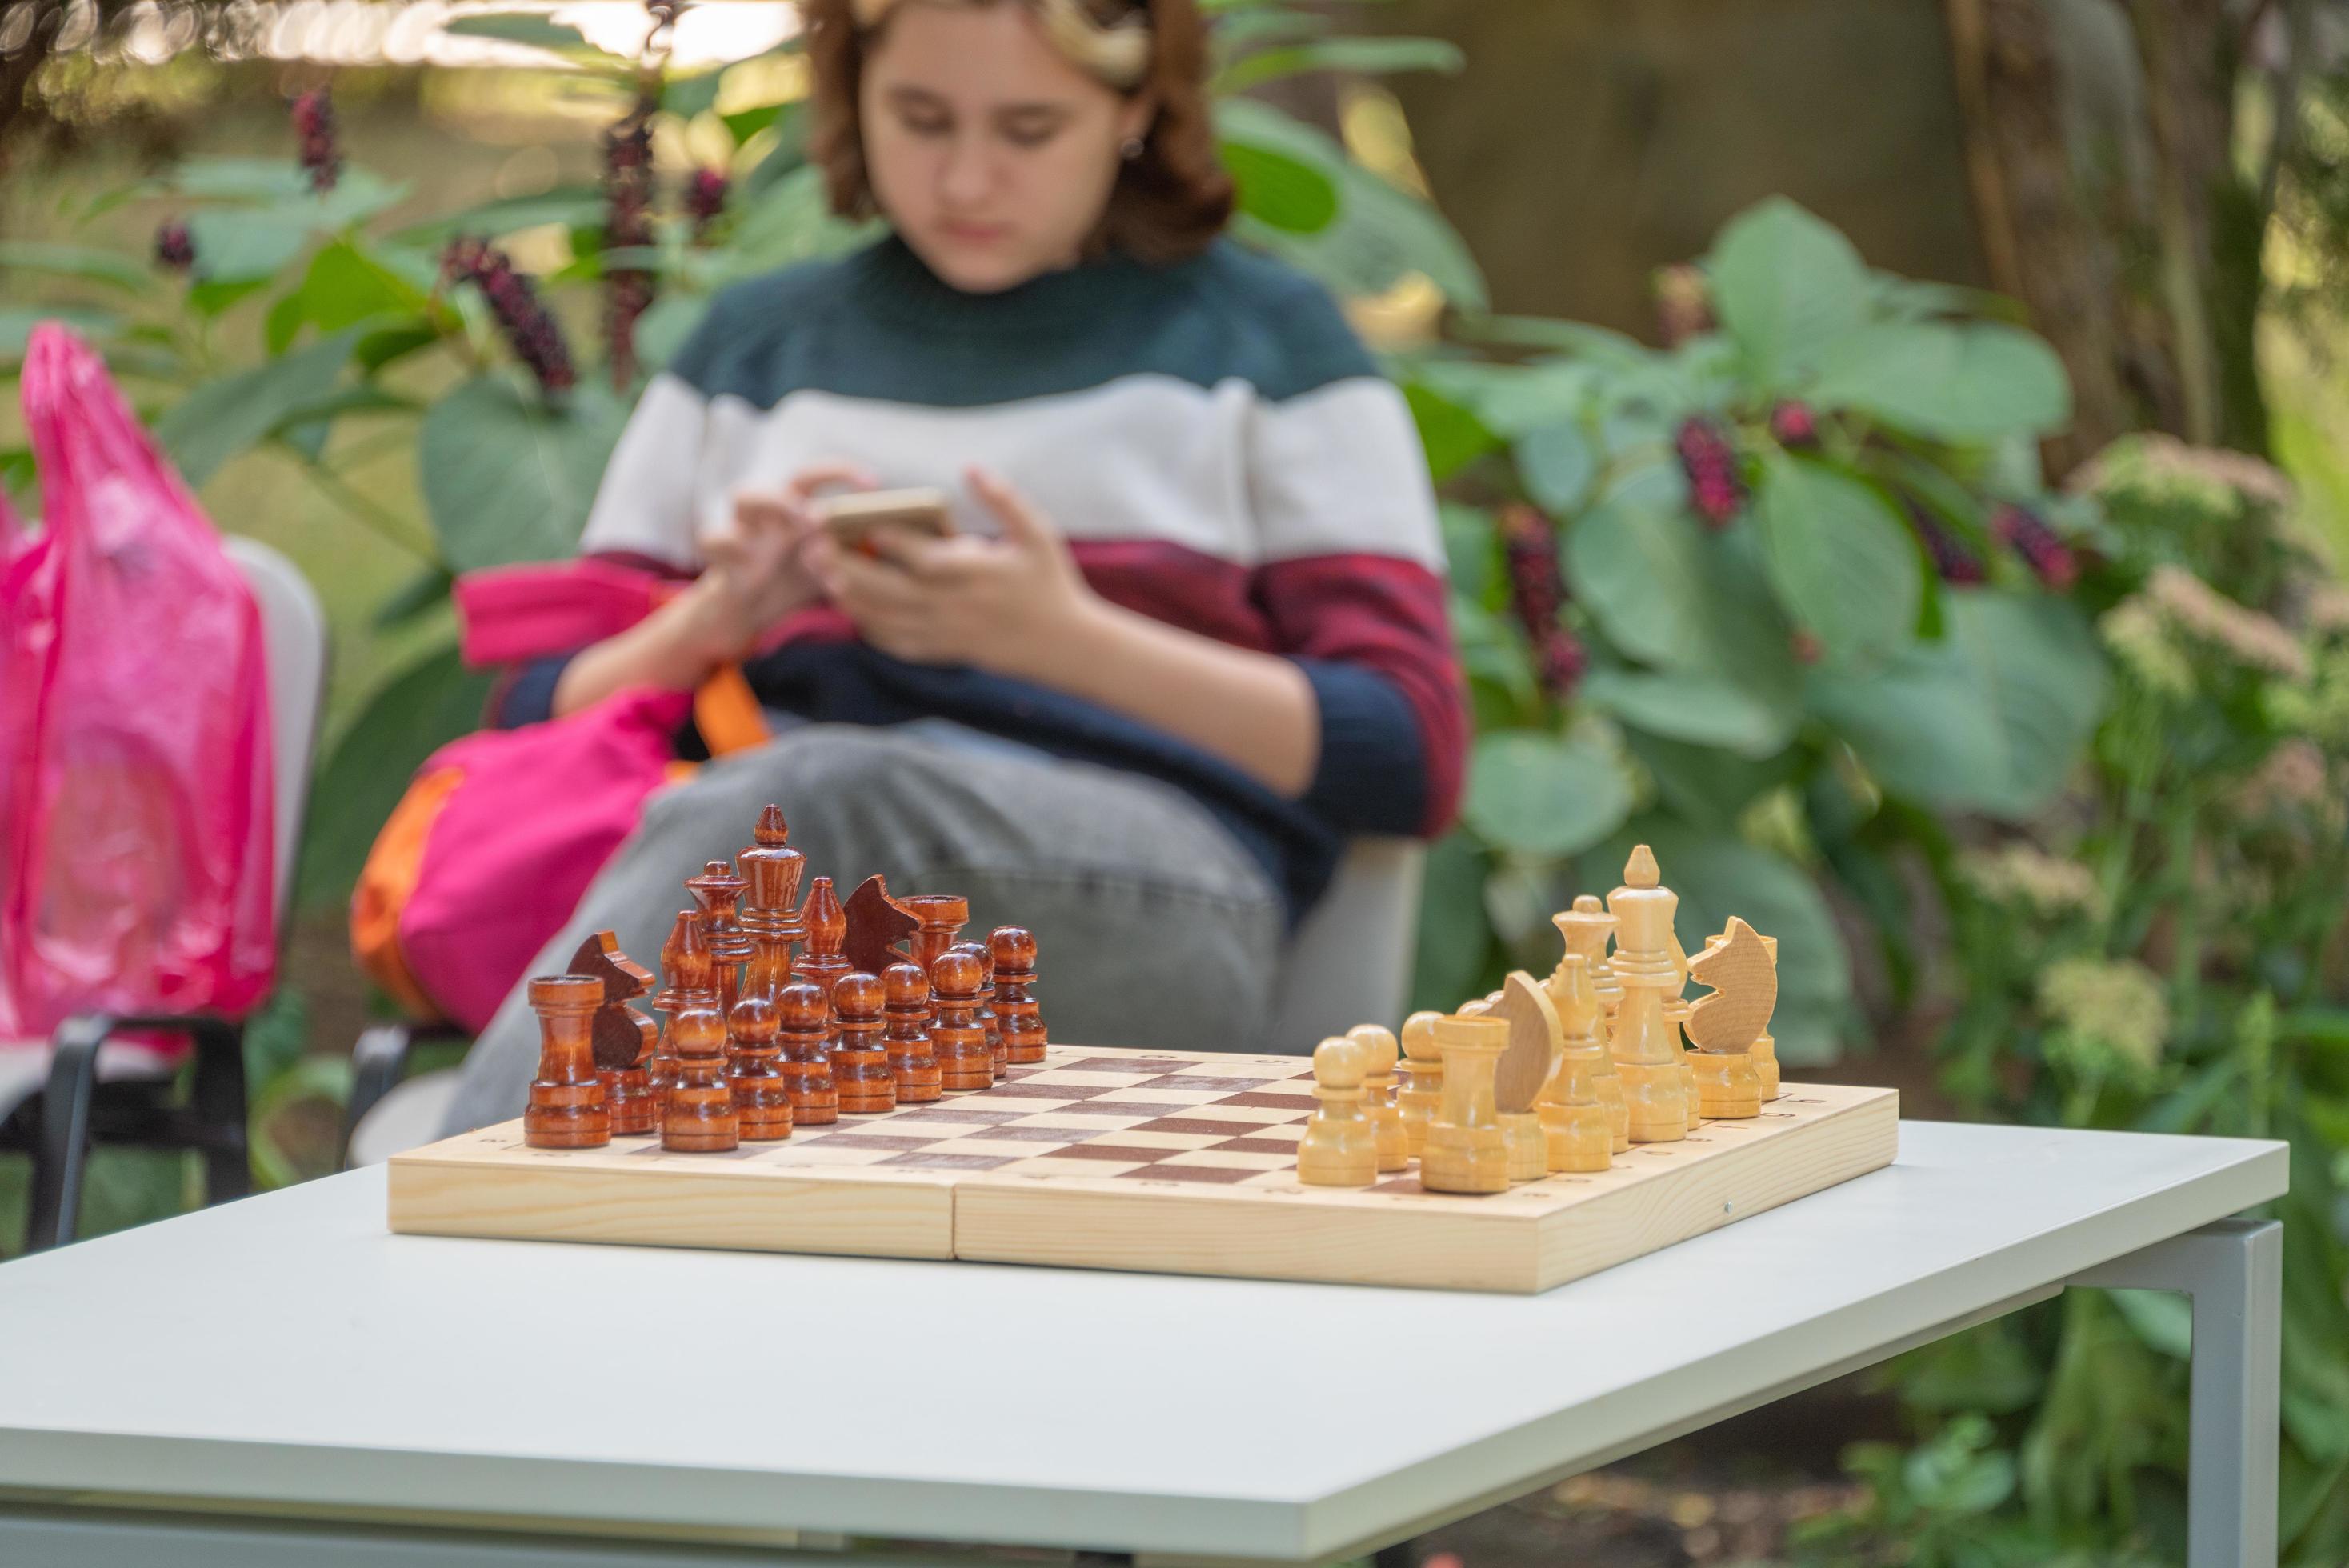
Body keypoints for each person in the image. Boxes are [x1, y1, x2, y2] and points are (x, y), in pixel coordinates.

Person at [440, 0, 1464, 1132]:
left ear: (1134, 105)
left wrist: (1058, 642)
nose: (968, 181)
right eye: (921, 120)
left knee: (806, 805)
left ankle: (451, 1210)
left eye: (1029, 131)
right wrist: (718, 618)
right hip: (769, 891)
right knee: (784, 823)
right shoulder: (748, 352)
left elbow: (1407, 750)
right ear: (853, 94)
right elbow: (536, 725)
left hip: (1149, 897)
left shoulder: (1272, 345)